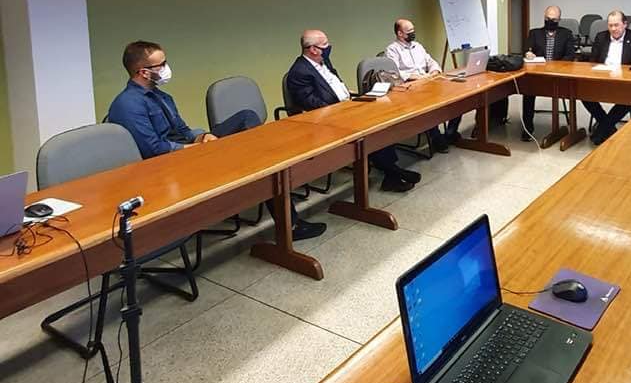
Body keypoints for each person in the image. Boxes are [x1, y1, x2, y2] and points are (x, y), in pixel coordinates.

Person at [107, 40, 327, 241]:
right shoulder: (128, 104)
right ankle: (286, 216)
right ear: (143, 72)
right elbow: (154, 150)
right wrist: (193, 148)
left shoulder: (162, 96)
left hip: (187, 150)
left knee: (247, 118)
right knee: (260, 162)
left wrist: (202, 137)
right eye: (161, 65)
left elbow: (182, 129)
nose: (166, 68)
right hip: (166, 165)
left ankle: (263, 167)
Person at [287, 29, 419, 193]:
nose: (329, 47)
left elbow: (335, 85)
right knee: (369, 131)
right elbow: (312, 104)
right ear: (313, 49)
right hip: (327, 119)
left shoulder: (323, 62)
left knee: (380, 122)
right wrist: (342, 110)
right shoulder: (299, 72)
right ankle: (393, 173)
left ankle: (391, 171)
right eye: (325, 44)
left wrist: (350, 98)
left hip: (346, 107)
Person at [385, 18, 460, 153]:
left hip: (428, 81)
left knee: (457, 97)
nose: (413, 33)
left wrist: (434, 71)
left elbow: (431, 62)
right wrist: (417, 77)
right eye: (409, 31)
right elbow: (395, 72)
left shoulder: (418, 46)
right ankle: (436, 138)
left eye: (413, 30)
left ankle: (450, 133)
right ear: (400, 33)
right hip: (410, 87)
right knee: (428, 107)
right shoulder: (392, 50)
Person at [582, 10, 631, 144]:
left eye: (616, 25)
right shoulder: (601, 37)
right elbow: (593, 61)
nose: (613, 29)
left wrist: (622, 72)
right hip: (602, 77)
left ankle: (602, 129)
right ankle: (608, 127)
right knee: (584, 94)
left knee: (628, 98)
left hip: (625, 80)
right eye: (610, 25)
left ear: (625, 24)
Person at [520, 5, 576, 141]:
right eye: (547, 18)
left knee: (572, 89)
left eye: (554, 19)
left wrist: (556, 66)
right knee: (528, 91)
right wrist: (528, 54)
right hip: (538, 74)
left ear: (559, 20)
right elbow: (526, 50)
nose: (550, 22)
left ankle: (572, 129)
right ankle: (527, 128)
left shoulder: (566, 34)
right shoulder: (534, 33)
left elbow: (570, 56)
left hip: (559, 75)